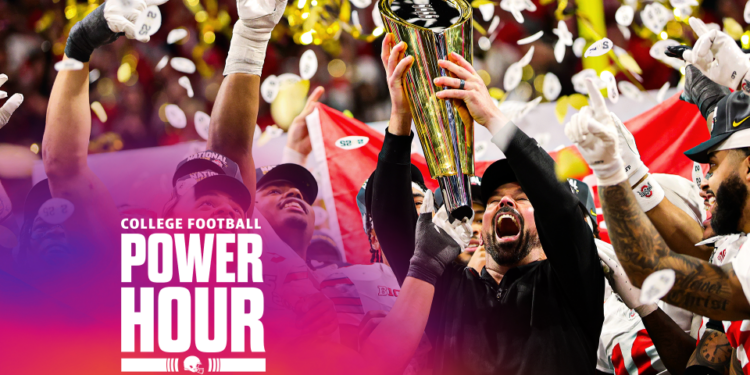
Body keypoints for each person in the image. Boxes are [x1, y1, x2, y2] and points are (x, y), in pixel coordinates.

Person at [369, 33, 604, 374]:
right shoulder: (448, 291)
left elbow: (562, 208)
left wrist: (493, 117)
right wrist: (402, 115)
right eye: (494, 200)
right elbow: (390, 221)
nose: (506, 199)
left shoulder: (572, 285)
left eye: (524, 198)